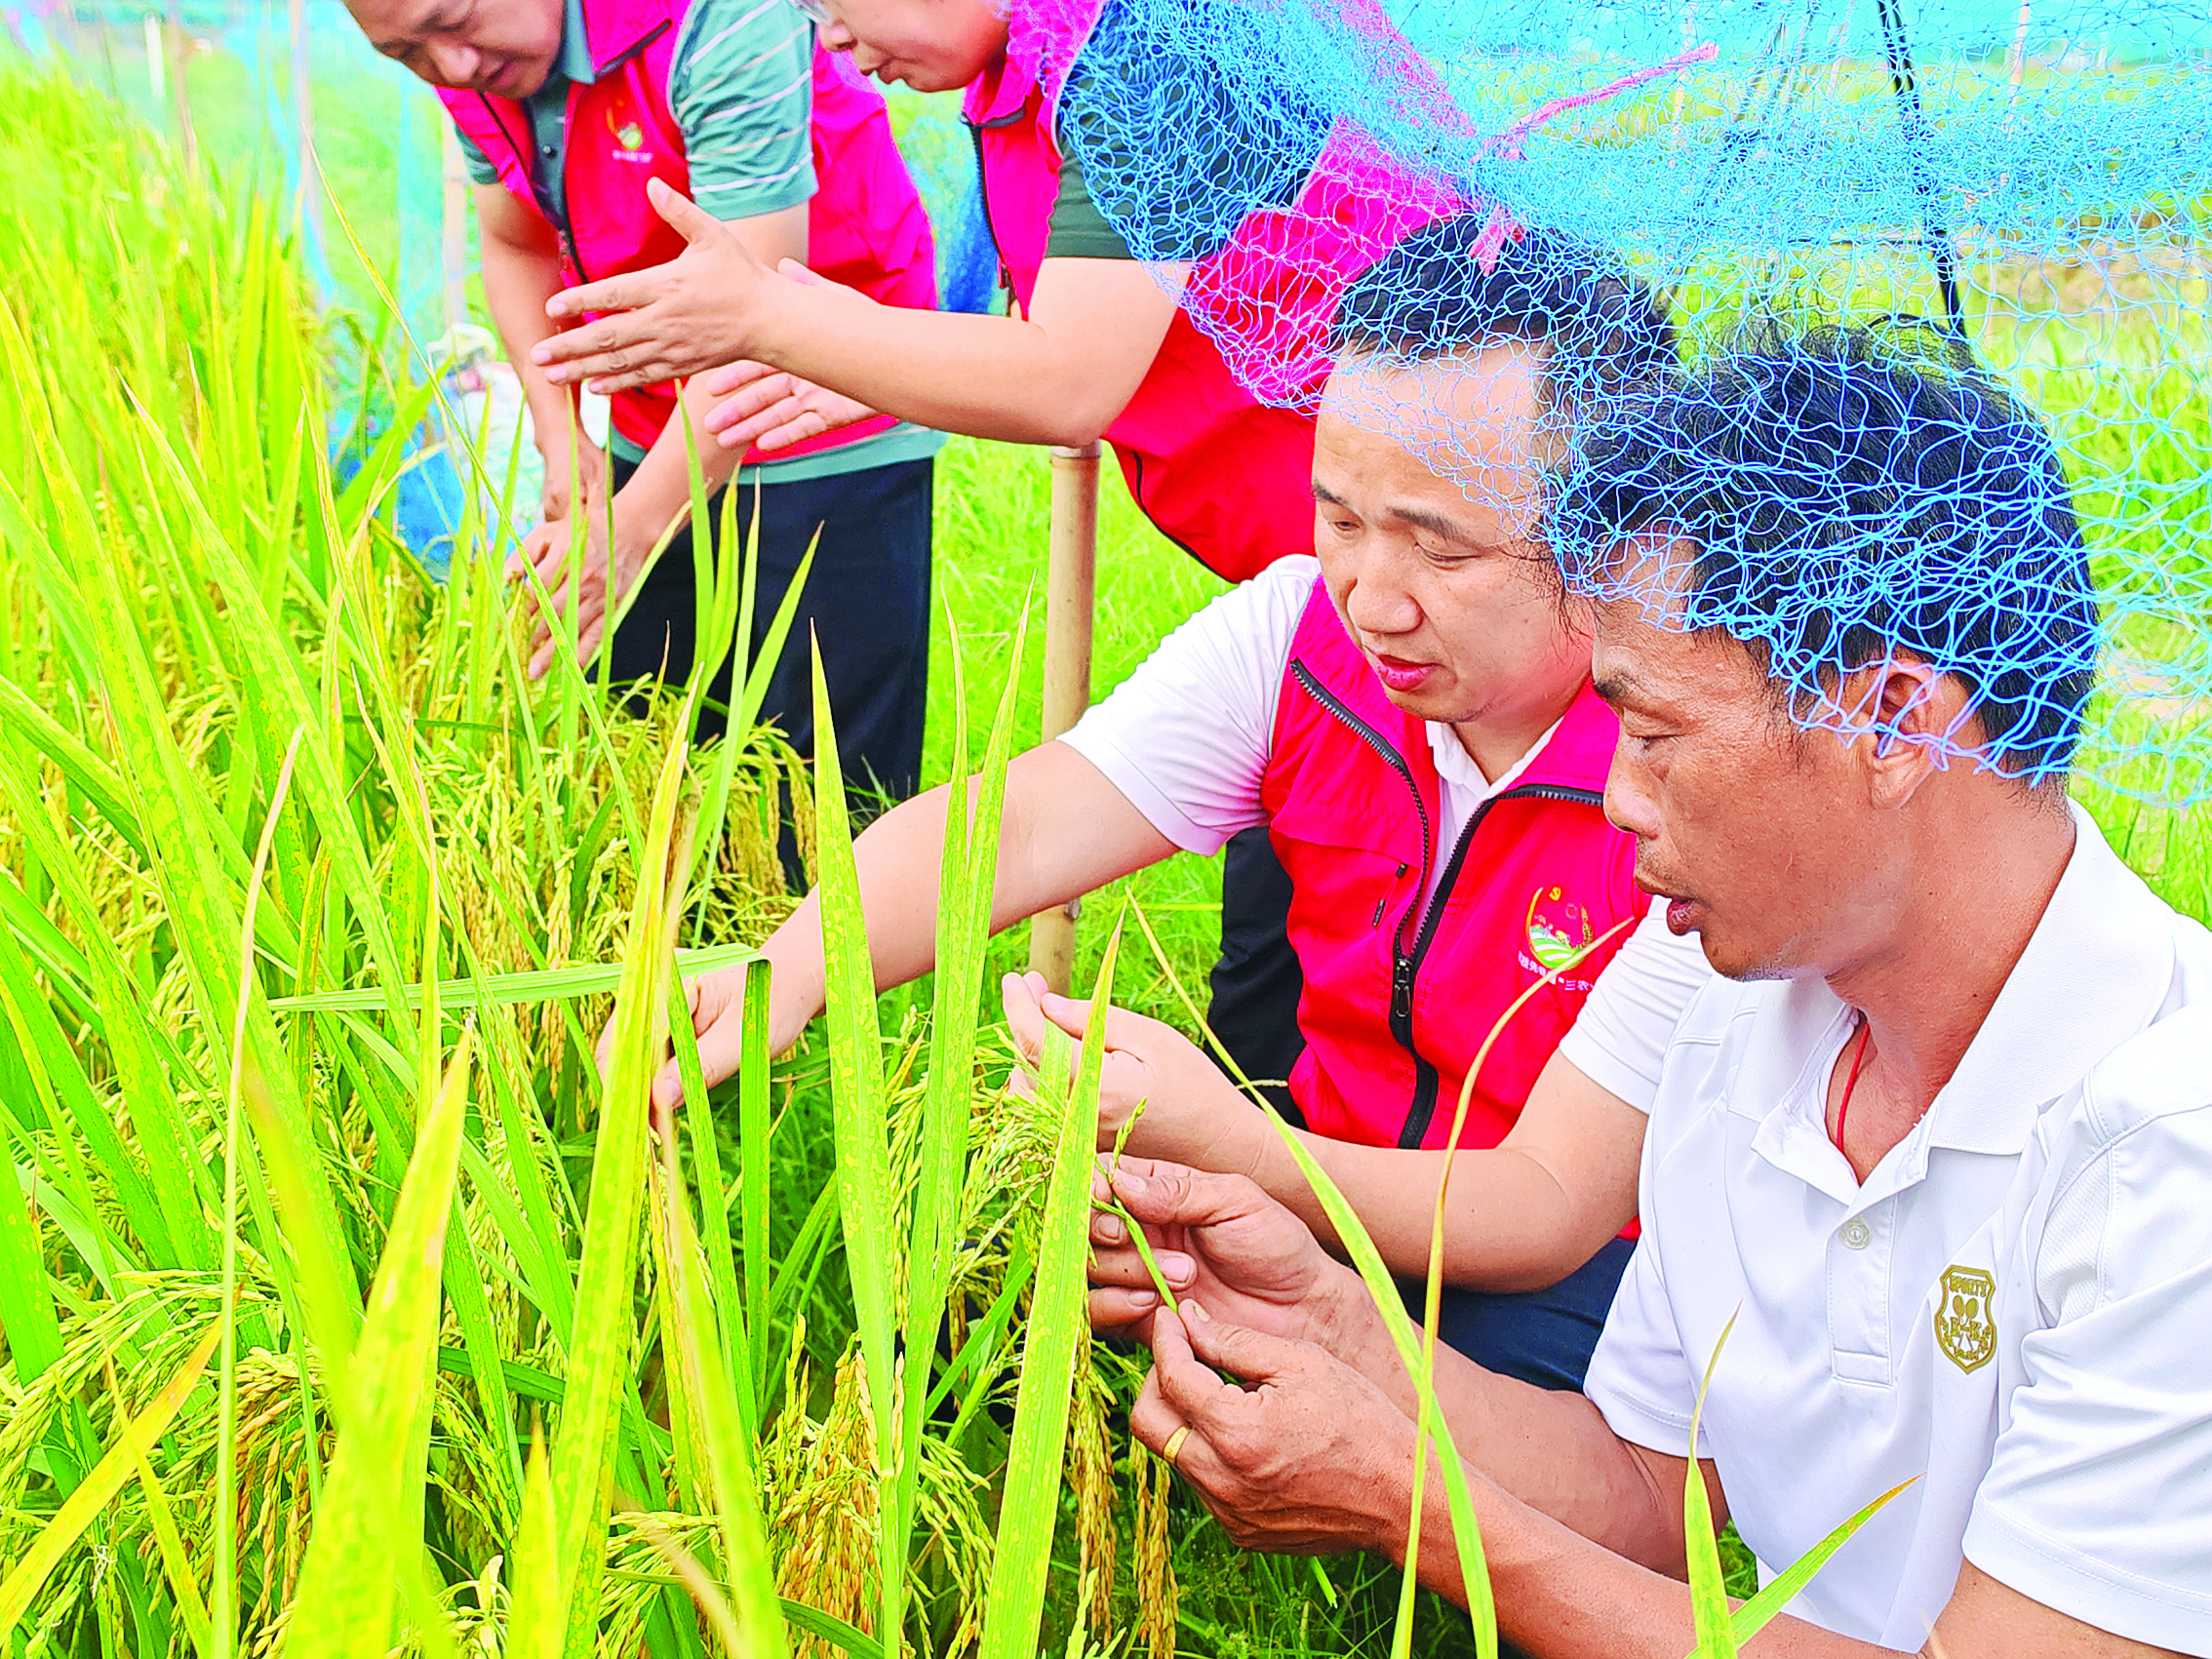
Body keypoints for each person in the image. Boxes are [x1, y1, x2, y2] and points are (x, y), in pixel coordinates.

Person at [1087, 325, 2212, 1656]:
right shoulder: (1735, 1007)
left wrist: (1416, 1502)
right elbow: (1644, 1483)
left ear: (1899, 723)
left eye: (1659, 731)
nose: (1616, 798)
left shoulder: (2166, 1148)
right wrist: (1338, 1326)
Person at [641, 220, 1712, 1391]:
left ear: (1611, 537)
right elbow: (1014, 829)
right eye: (1341, 519)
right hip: (1323, 1187)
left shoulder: (1688, 765)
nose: (1374, 599)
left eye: (1442, 556)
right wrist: (792, 969)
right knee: (1000, 1303)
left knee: (1468, 1447)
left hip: (1570, 1276)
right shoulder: (1295, 636)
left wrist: (1229, 1145)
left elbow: (1547, 1206)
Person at [522, 0, 1472, 1088]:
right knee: (1287, 998)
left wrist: (767, 318)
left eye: (832, 5)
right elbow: (1070, 330)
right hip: (1326, 609)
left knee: (1372, 1005)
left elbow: (1069, 378)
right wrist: (838, 367)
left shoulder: (1160, 54)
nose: (831, 43)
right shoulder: (1033, 78)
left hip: (1445, 596)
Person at [346, 0, 942, 796]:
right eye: (407, 54)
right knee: (641, 752)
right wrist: (565, 441)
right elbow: (513, 238)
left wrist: (631, 529)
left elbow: (761, 319)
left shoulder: (723, 17)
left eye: (454, 20)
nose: (452, 68)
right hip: (654, 411)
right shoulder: (475, 61)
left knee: (818, 796)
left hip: (822, 404)